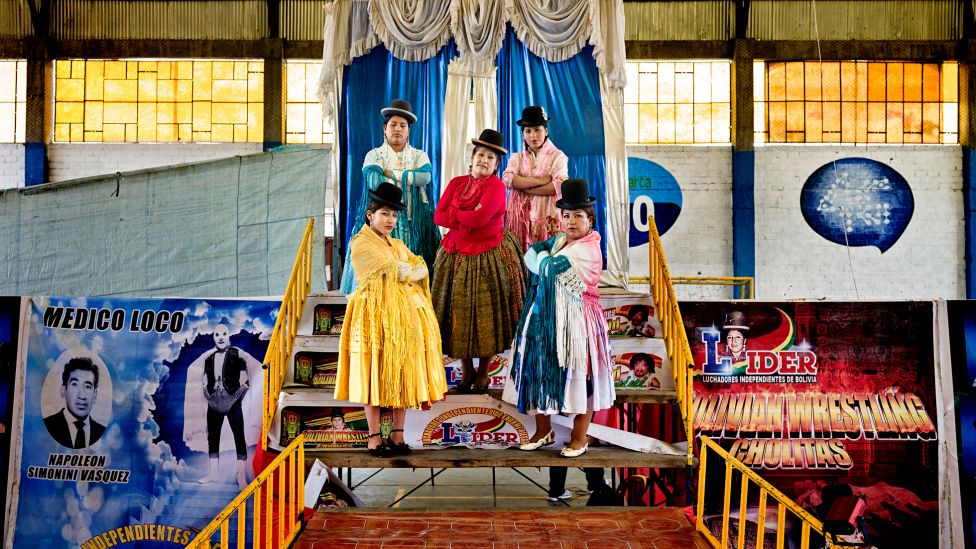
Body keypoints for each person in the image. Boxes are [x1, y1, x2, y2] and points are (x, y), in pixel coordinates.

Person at [504, 178, 615, 457]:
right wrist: (540, 258)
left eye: (578, 215)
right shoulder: (561, 240)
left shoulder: (588, 249)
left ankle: (579, 437)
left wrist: (541, 259)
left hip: (579, 323)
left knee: (581, 377)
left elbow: (549, 268)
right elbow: (531, 253)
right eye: (566, 215)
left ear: (590, 220)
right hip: (546, 318)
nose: (571, 221)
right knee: (540, 371)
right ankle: (544, 431)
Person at [335, 182, 447, 457]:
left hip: (404, 319)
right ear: (370, 214)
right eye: (385, 213)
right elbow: (397, 270)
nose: (390, 220)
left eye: (394, 215)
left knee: (402, 370)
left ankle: (397, 434)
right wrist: (408, 270)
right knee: (374, 370)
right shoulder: (360, 243)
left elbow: (419, 265)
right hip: (373, 317)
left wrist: (408, 270)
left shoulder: (396, 244)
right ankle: (374, 437)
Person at [432, 129, 526, 393]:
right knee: (458, 312)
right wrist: (468, 214)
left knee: (487, 314)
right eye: (480, 155)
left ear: (496, 165)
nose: (484, 160)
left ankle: (483, 372)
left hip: (489, 254)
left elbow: (480, 219)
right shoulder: (456, 183)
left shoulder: (496, 186)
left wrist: (457, 213)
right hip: (456, 253)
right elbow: (439, 216)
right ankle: (466, 371)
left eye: (490, 158)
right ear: (472, 158)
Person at [340, 99, 440, 293]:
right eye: (393, 125)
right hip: (380, 222)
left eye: (403, 125)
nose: (398, 129)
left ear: (408, 131)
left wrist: (392, 174)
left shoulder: (419, 155)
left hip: (414, 225)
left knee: (413, 280)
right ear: (385, 128)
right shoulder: (374, 155)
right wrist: (409, 178)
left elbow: (425, 177)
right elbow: (374, 182)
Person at [188, 324, 264, 488]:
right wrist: (203, 388)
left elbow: (257, 367)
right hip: (213, 402)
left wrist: (245, 386)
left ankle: (241, 477)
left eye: (224, 334)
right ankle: (213, 474)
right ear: (213, 337)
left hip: (232, 401)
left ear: (228, 335)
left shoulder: (237, 353)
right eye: (217, 335)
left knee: (239, 438)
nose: (220, 337)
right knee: (212, 438)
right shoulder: (208, 357)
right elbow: (194, 371)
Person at [502, 106, 569, 251]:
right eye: (528, 131)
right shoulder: (516, 157)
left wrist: (523, 186)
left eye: (537, 130)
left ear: (546, 131)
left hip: (547, 219)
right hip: (520, 220)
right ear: (523, 134)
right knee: (521, 257)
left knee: (547, 257)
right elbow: (507, 179)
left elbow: (558, 185)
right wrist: (541, 180)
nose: (533, 135)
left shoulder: (558, 156)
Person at [44, 357, 107, 449]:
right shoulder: (47, 426)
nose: (82, 396)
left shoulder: (102, 432)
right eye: (74, 384)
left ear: (95, 394)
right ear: (63, 390)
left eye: (88, 386)